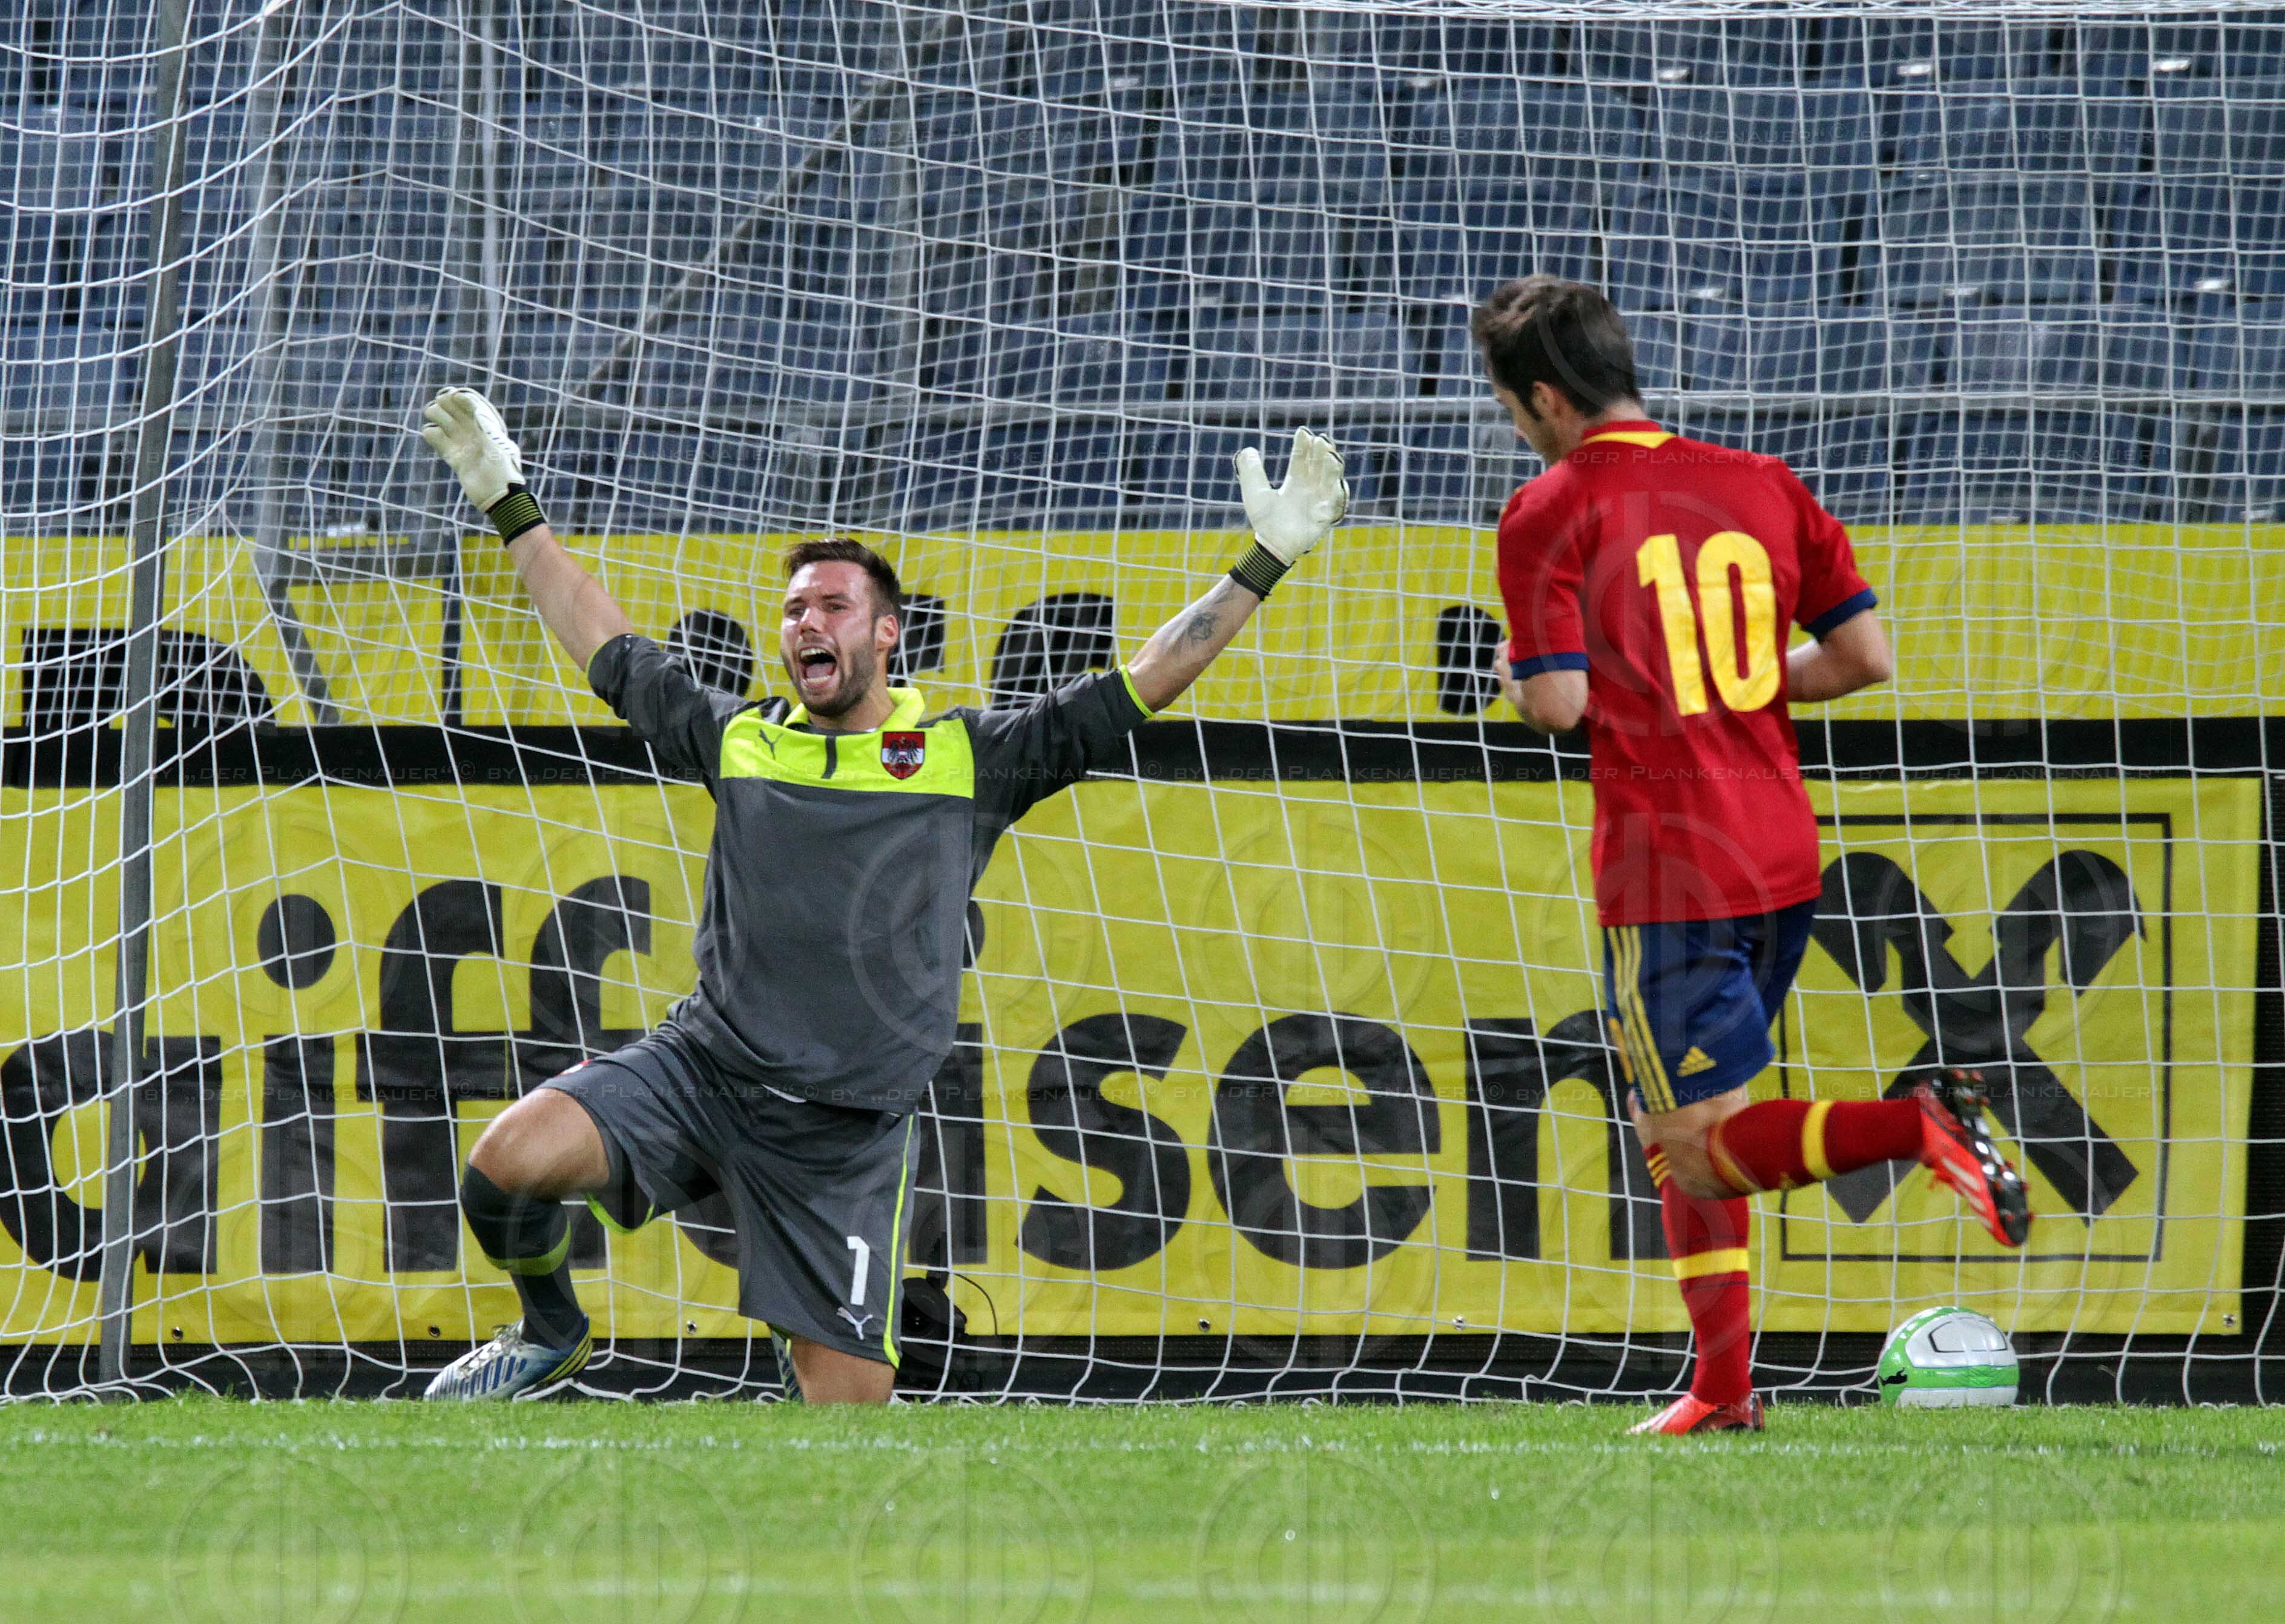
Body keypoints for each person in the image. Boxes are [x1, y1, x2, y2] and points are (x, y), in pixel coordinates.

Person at [415, 388, 1348, 1401]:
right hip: (705, 1072)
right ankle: (551, 1331)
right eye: (792, 610)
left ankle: (807, 1322)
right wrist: (509, 503)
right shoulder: (742, 739)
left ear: (888, 633)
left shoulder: (966, 758)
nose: (805, 624)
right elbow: (606, 646)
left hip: (842, 1138)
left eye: (832, 606)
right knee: (503, 1162)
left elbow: (1139, 682)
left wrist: (1263, 561)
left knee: (847, 1436)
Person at [1478, 276, 2031, 1436]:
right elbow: (1866, 656)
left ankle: (1917, 1120)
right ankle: (1722, 1391)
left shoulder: (1546, 507)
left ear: (1543, 398)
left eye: (1513, 410)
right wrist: (1722, 682)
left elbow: (1559, 701)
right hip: (1779, 847)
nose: (1516, 429)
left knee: (1683, 1139)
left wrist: (1517, 676)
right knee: (1706, 1126)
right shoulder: (1761, 483)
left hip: (1668, 863)